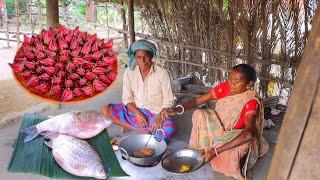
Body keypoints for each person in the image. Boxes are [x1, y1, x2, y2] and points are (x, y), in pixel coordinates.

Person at [165, 64, 269, 179]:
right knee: (199, 114)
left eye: (237, 81)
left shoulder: (250, 101)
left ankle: (213, 153)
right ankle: (200, 151)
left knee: (239, 148)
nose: (232, 84)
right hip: (216, 127)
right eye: (230, 79)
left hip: (232, 135)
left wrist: (216, 151)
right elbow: (197, 101)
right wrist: (178, 109)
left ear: (249, 84)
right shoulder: (224, 88)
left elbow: (249, 133)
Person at [101, 39, 175, 143]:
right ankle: (140, 130)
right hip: (135, 112)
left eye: (146, 57)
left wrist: (159, 118)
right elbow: (127, 99)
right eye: (139, 57)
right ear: (135, 58)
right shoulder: (129, 73)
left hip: (155, 113)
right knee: (106, 110)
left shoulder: (161, 73)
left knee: (169, 130)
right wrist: (137, 113)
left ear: (151, 56)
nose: (143, 61)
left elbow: (168, 101)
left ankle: (144, 131)